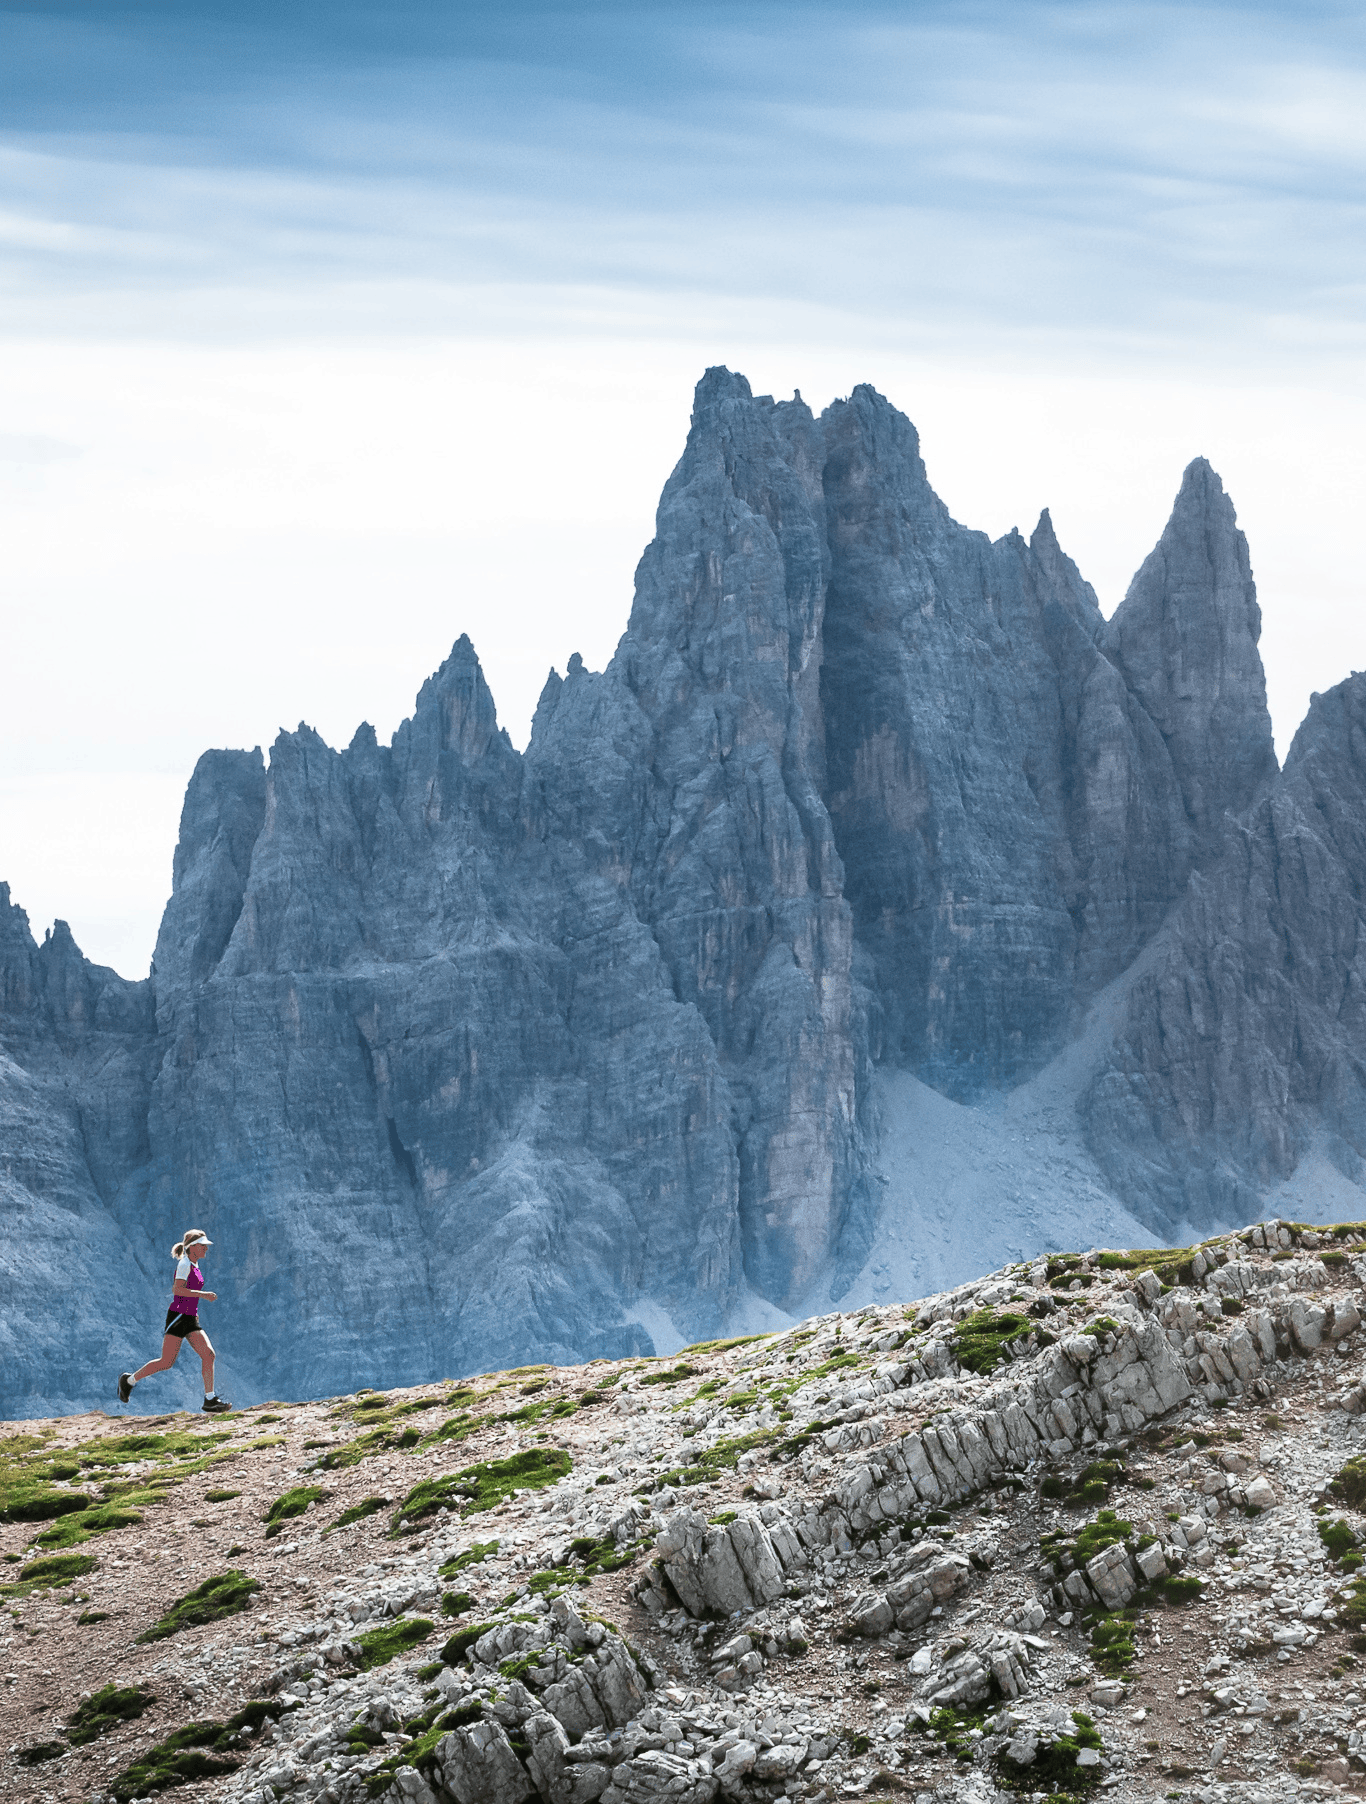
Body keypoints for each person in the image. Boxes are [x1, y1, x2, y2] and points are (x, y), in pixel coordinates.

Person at [118, 1229, 231, 1413]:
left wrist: (195, 1311)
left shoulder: (194, 1264)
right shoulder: (184, 1264)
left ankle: (209, 1399)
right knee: (166, 1362)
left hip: (190, 1317)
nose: (206, 1249)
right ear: (193, 1247)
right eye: (203, 1246)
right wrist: (203, 1295)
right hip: (178, 1317)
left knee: (209, 1355)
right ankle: (128, 1381)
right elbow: (177, 1290)